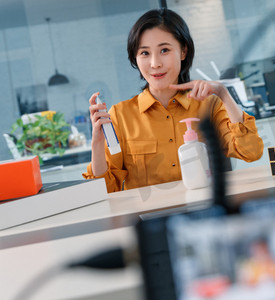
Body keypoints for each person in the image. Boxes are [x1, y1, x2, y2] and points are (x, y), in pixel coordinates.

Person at [83, 8, 263, 193]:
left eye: (164, 50)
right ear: (135, 58)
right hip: (152, 218)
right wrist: (97, 144)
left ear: (183, 51)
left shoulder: (209, 105)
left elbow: (251, 152)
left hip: (207, 214)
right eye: (145, 53)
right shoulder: (120, 116)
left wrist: (223, 94)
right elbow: (104, 190)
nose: (155, 63)